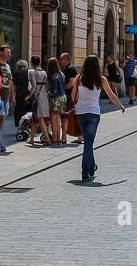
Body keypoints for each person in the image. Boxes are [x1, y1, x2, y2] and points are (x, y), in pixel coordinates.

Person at [74, 54, 126, 182]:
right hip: (93, 114)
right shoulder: (101, 79)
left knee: (88, 142)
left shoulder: (79, 78)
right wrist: (120, 105)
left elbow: (73, 96)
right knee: (89, 143)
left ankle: (90, 168)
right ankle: (86, 171)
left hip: (80, 113)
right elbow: (111, 95)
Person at [26, 54, 51, 146]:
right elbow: (47, 86)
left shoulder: (32, 72)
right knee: (35, 119)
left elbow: (34, 86)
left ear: (31, 62)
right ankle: (32, 139)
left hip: (37, 97)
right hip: (44, 96)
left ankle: (47, 139)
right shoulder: (44, 72)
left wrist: (29, 96)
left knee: (40, 119)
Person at [57, 52, 79, 145]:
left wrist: (61, 88)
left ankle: (64, 137)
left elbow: (71, 83)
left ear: (66, 59)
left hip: (69, 96)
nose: (60, 61)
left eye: (61, 59)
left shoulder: (70, 69)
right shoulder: (66, 68)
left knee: (65, 117)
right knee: (69, 116)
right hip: (68, 96)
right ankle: (79, 136)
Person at [0, 46, 13, 148]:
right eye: (7, 52)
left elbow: (10, 82)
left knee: (1, 121)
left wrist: (12, 96)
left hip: (6, 97)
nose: (9, 54)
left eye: (9, 52)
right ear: (1, 52)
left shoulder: (7, 66)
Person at [46, 57, 65, 144]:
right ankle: (58, 137)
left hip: (55, 99)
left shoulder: (54, 76)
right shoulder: (61, 74)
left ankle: (54, 138)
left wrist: (48, 94)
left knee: (53, 119)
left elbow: (54, 91)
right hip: (63, 97)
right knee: (58, 119)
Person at [12, 52, 30, 130]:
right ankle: (26, 125)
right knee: (26, 109)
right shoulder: (28, 71)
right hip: (27, 94)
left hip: (19, 93)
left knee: (18, 109)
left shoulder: (16, 72)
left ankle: (19, 124)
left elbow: (14, 85)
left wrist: (13, 96)